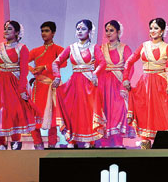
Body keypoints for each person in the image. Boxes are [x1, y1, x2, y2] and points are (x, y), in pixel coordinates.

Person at [123, 18, 168, 149]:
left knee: (164, 113)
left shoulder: (166, 47)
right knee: (144, 113)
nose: (153, 31)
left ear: (162, 31)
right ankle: (145, 144)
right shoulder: (144, 46)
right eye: (151, 28)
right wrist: (125, 78)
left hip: (160, 84)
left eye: (156, 28)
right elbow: (129, 62)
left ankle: (165, 144)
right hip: (145, 85)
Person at [0, 20, 39, 149]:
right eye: (5, 28)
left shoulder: (22, 48)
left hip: (15, 84)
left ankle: (15, 141)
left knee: (13, 113)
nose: (6, 31)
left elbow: (23, 71)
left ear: (17, 32)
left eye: (10, 29)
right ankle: (0, 143)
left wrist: (22, 89)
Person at [51, 19, 106, 147]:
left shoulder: (94, 48)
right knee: (73, 112)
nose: (80, 31)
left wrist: (95, 74)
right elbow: (56, 62)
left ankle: (90, 139)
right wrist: (57, 77)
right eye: (78, 29)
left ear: (90, 31)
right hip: (74, 84)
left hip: (89, 84)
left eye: (83, 29)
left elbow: (103, 62)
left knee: (88, 111)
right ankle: (72, 139)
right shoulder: (71, 48)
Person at [94, 20, 135, 148]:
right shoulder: (101, 48)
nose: (108, 33)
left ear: (118, 32)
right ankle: (105, 143)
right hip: (103, 85)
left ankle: (118, 143)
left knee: (118, 112)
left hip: (118, 85)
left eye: (111, 30)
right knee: (104, 111)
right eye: (106, 30)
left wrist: (124, 84)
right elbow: (97, 66)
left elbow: (129, 67)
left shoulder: (124, 48)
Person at [28, 22, 64, 148]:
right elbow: (22, 61)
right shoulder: (36, 51)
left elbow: (63, 63)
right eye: (42, 30)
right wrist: (32, 71)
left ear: (53, 33)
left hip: (51, 87)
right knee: (34, 118)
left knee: (52, 119)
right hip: (38, 88)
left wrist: (45, 68)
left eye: (47, 30)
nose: (44, 33)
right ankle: (38, 144)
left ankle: (52, 146)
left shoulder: (58, 49)